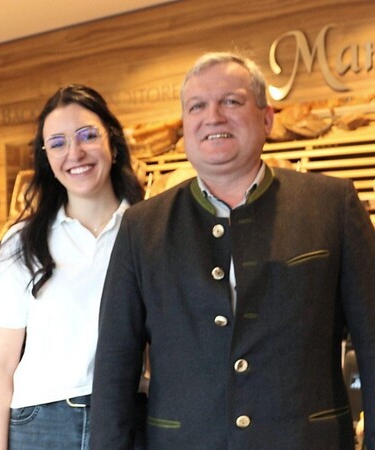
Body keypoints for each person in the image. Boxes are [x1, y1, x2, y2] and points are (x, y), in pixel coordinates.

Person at [90, 52, 375, 449]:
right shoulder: (142, 226)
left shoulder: (332, 205)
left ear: (267, 118)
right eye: (197, 107)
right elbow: (114, 367)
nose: (213, 117)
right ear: (186, 126)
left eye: (231, 101)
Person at [0, 84, 145, 449]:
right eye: (57, 143)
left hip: (127, 415)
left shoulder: (147, 229)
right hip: (40, 424)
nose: (75, 152)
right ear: (46, 159)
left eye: (88, 135)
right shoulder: (22, 241)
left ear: (113, 143)